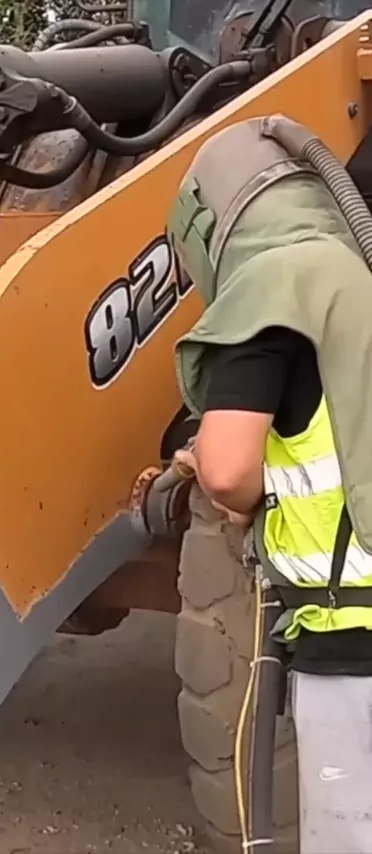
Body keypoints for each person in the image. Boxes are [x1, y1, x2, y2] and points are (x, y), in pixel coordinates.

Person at [168, 116, 372, 854]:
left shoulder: (272, 287)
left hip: (351, 633)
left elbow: (228, 468)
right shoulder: (354, 275)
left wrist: (218, 477)